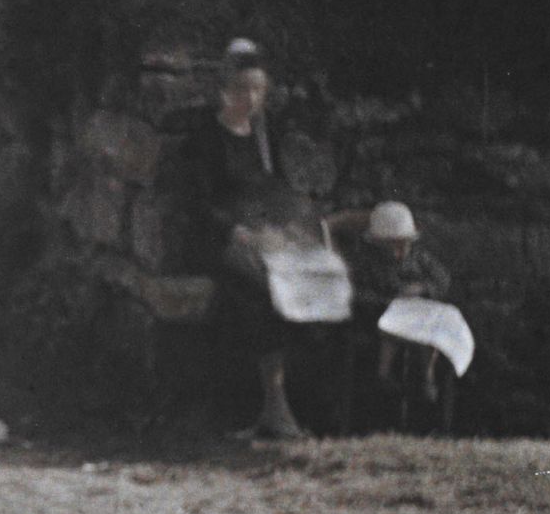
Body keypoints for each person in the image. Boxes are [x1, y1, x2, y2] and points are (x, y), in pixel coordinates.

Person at [183, 39, 327, 440]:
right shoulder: (206, 138)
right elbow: (199, 203)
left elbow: (274, 192)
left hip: (259, 235)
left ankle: (288, 406)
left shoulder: (265, 138)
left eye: (258, 90)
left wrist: (285, 227)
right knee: (267, 290)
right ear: (224, 90)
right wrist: (236, 231)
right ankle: (275, 408)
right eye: (243, 89)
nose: (251, 98)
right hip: (217, 238)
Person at [328, 200, 455, 421]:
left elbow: (442, 280)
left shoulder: (420, 259)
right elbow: (357, 293)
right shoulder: (366, 263)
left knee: (433, 328)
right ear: (378, 243)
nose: (399, 252)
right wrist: (387, 301)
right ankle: (384, 375)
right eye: (392, 246)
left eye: (403, 245)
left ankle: (427, 376)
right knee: (392, 329)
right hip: (381, 318)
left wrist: (422, 289)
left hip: (418, 317)